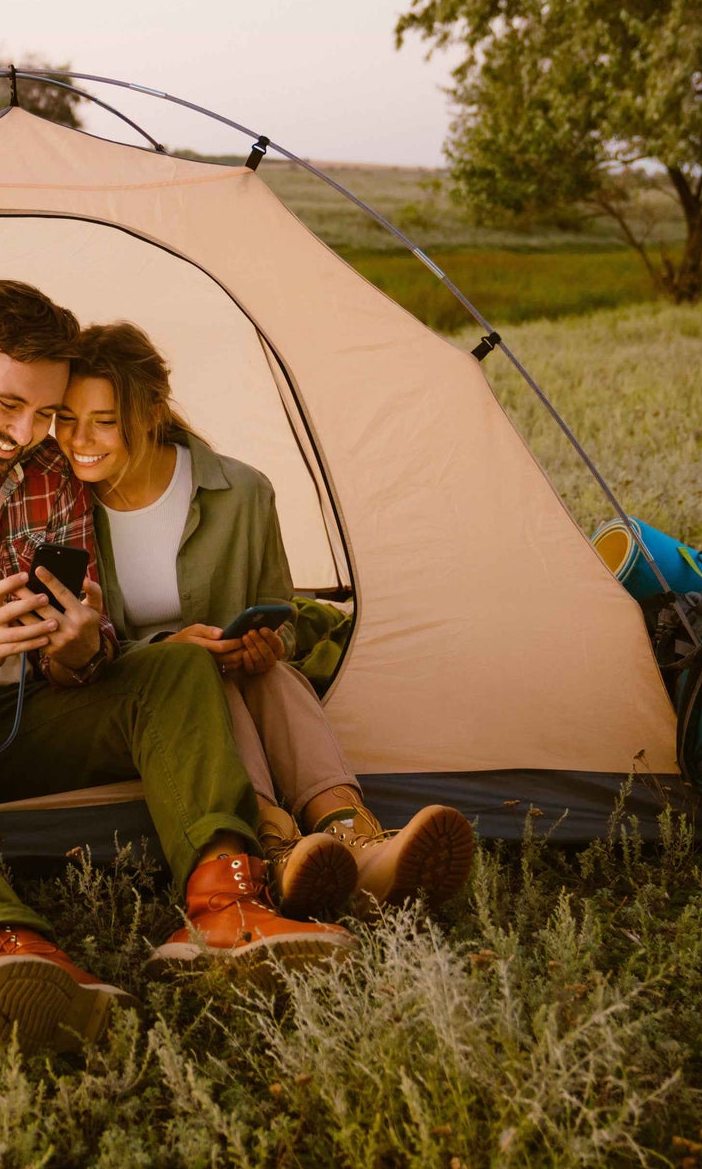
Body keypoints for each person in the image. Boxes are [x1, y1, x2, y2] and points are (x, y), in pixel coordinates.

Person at [0, 281, 353, 1055]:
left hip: (27, 718)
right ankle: (7, 945)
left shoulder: (49, 467)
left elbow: (88, 655)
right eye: (8, 405)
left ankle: (226, 905)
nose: (25, 433)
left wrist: (75, 645)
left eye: (44, 412)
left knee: (175, 668)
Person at [54, 320, 474, 922]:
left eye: (102, 420)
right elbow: (78, 649)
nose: (78, 440)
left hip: (247, 681)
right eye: (65, 418)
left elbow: (284, 615)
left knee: (269, 675)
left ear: (149, 414)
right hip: (145, 701)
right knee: (199, 677)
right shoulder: (59, 506)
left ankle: (356, 838)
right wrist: (172, 647)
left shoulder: (243, 492)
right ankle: (276, 844)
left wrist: (268, 643)